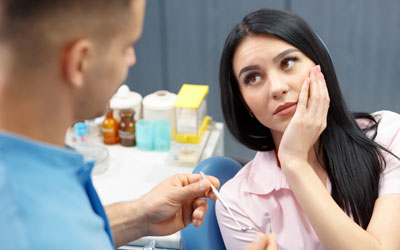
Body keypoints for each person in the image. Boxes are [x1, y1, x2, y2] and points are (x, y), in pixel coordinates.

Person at [0, 0, 222, 249]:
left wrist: (139, 216)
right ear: (80, 63)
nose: (132, 59)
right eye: (126, 46)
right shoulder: (27, 228)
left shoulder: (34, 175)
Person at [216, 8, 400, 250]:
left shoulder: (386, 134)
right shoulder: (236, 203)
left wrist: (294, 162)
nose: (277, 87)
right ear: (243, 102)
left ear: (319, 65)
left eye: (287, 62)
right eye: (253, 78)